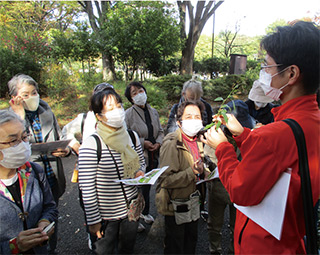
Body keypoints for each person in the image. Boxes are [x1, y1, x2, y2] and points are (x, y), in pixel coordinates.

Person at [201, 21, 320, 253]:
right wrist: (244, 135)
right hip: (290, 241)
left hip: (262, 246)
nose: (263, 74)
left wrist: (223, 147)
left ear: (292, 73)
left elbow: (239, 190)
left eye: (267, 67)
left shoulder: (275, 134)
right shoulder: (311, 121)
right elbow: (277, 159)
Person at [78, 87, 146, 254]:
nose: (117, 111)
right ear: (98, 116)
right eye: (110, 108)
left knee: (127, 249)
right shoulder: (92, 144)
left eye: (118, 105)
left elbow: (141, 162)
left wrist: (140, 172)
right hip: (106, 215)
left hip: (131, 210)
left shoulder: (132, 136)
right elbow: (86, 188)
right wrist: (93, 221)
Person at [8, 74, 70, 254]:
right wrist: (19, 117)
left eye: (34, 92)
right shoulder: (7, 120)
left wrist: (64, 151)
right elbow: (15, 149)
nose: (32, 97)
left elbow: (58, 137)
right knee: (27, 223)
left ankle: (50, 249)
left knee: (49, 218)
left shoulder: (46, 111)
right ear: (14, 97)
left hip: (51, 176)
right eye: (25, 95)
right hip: (27, 181)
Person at [61, 82, 114, 249]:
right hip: (89, 169)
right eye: (101, 95)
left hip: (111, 169)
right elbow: (66, 131)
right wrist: (77, 146)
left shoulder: (117, 116)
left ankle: (111, 234)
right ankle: (93, 235)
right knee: (89, 201)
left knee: (110, 202)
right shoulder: (85, 118)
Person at [0, 110, 58, 254]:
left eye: (24, 137)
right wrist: (13, 246)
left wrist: (45, 221)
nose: (22, 145)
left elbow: (50, 207)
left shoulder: (34, 171)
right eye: (13, 141)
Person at [156, 101, 210, 254]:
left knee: (190, 242)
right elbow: (164, 180)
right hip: (176, 206)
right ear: (179, 122)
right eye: (189, 116)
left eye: (197, 116)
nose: (194, 120)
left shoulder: (198, 140)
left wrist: (205, 171)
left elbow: (200, 165)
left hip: (194, 202)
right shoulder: (172, 143)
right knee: (176, 245)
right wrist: (192, 173)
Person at [207, 100, 255, 255]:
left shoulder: (249, 136)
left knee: (238, 226)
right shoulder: (216, 134)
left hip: (240, 193)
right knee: (214, 224)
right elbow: (207, 157)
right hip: (218, 188)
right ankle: (215, 249)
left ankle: (234, 250)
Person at [124, 81, 164, 231]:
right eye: (134, 93)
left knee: (147, 185)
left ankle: (145, 212)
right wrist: (143, 142)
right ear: (131, 99)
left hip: (154, 155)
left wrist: (158, 143)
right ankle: (134, 218)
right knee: (136, 187)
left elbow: (160, 131)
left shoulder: (153, 111)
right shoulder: (128, 115)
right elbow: (125, 137)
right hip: (138, 157)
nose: (139, 94)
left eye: (140, 91)